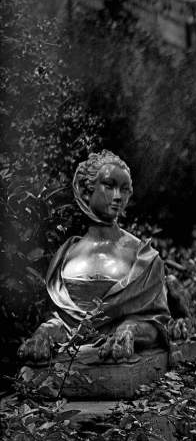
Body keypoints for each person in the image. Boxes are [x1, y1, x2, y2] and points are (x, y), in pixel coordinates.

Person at [18, 151, 170, 363]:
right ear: (86, 191)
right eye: (109, 185)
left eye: (124, 189)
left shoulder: (144, 257)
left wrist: (130, 330)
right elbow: (65, 323)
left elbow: (157, 321)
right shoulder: (65, 255)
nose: (118, 196)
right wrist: (44, 332)